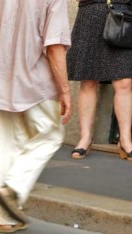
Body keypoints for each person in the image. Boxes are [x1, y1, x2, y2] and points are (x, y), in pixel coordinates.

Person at [0, 0, 71, 234]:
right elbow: (54, 46)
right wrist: (66, 91)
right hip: (37, 86)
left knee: (9, 144)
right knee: (51, 136)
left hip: (5, 84)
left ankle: (5, 218)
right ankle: (13, 188)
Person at [67, 0, 132, 160]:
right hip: (91, 12)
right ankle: (85, 138)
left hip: (122, 14)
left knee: (124, 82)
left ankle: (125, 140)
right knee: (89, 80)